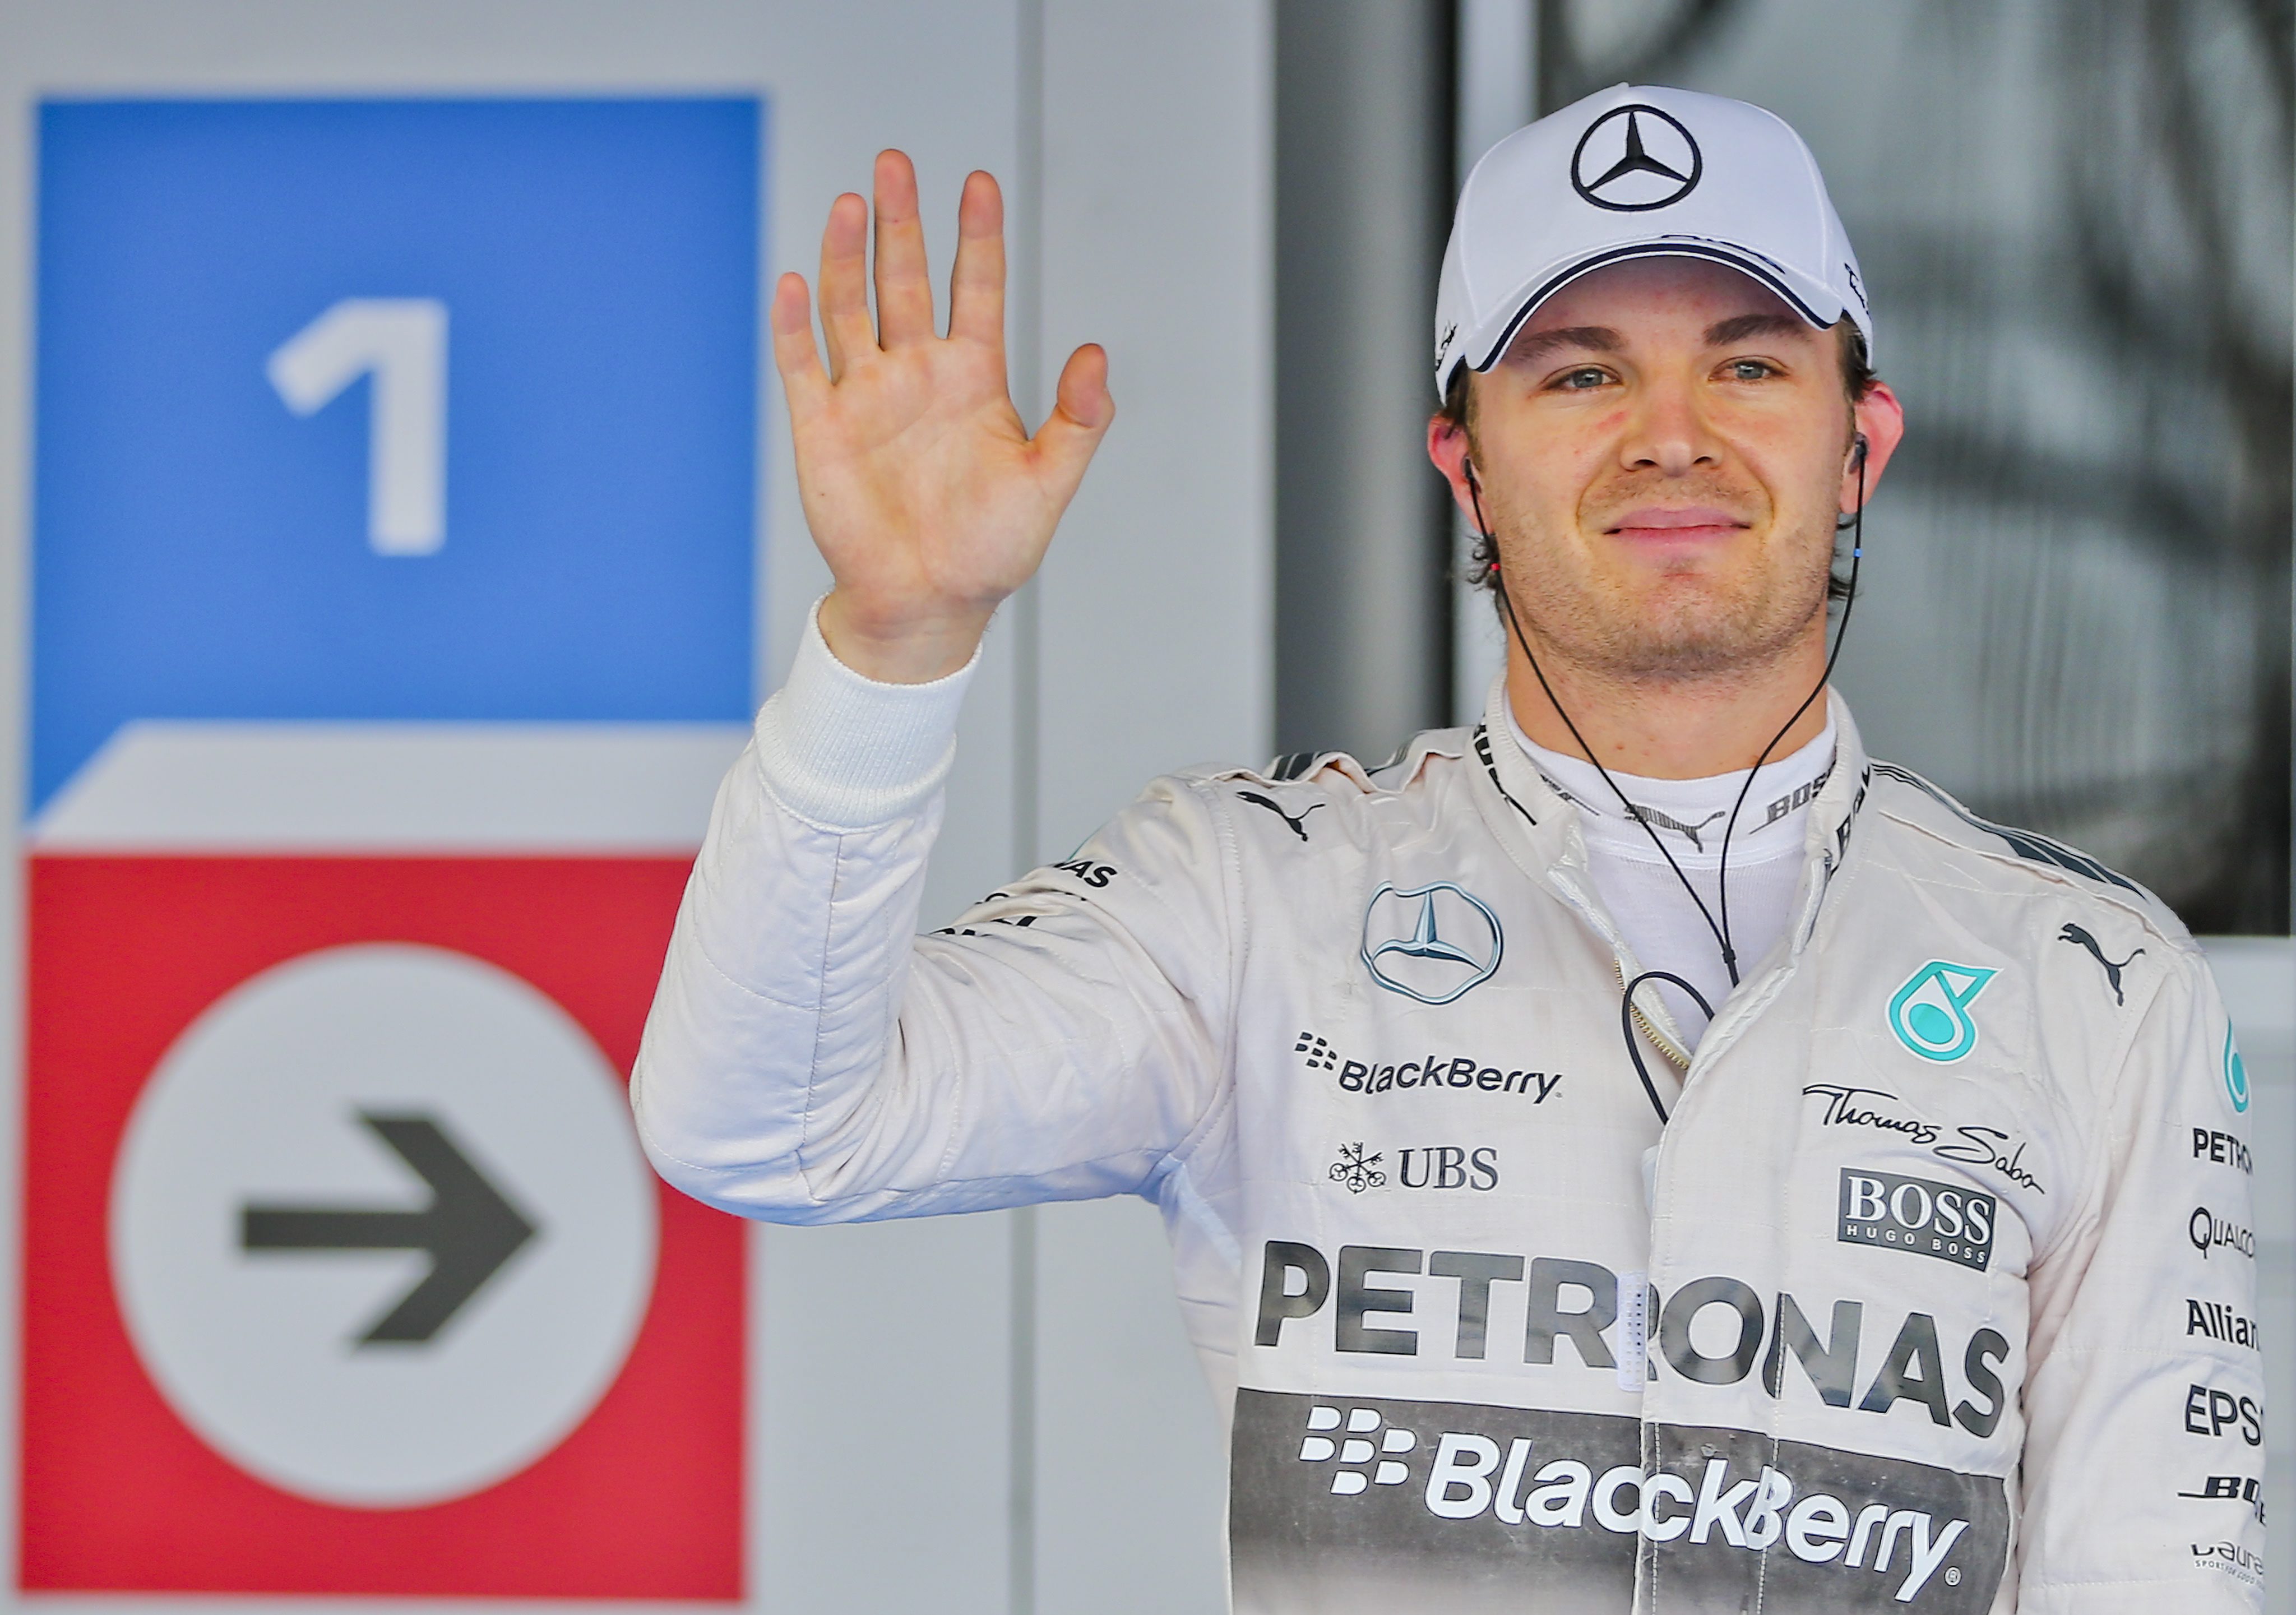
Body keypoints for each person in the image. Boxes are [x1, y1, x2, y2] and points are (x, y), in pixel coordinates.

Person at [633, 84, 2263, 1612]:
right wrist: (892, 645)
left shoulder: (2090, 981)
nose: (1671, 433)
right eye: (1580, 371)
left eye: (1752, 364)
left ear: (1862, 446)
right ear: (1462, 468)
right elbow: (765, 1125)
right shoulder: (1254, 896)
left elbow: (2160, 1576)